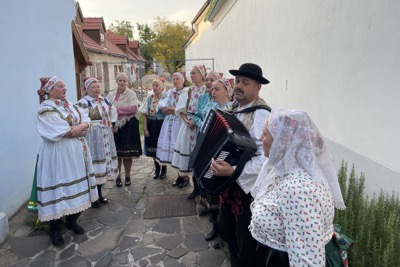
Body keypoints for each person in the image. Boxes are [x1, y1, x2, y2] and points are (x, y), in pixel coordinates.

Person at [249, 109, 346, 266]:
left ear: (282, 141)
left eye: (265, 134)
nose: (260, 138)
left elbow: (307, 261)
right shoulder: (285, 169)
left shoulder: (298, 188)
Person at [210, 63, 270, 266]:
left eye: (246, 83)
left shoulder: (262, 113)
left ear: (258, 88)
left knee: (246, 242)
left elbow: (265, 159)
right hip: (229, 186)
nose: (239, 86)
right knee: (229, 233)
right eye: (237, 81)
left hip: (248, 191)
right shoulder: (232, 109)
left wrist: (233, 170)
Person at [36, 76, 98, 246]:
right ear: (50, 90)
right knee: (59, 187)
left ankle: (72, 220)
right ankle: (54, 228)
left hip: (76, 153)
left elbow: (87, 119)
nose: (65, 89)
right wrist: (80, 128)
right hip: (58, 154)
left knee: (77, 186)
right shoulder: (45, 109)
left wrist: (78, 128)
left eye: (64, 86)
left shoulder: (70, 104)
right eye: (60, 86)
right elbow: (61, 131)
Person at [77, 77, 118, 208]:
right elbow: (80, 119)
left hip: (104, 135)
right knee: (94, 166)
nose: (96, 89)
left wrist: (110, 121)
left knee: (103, 166)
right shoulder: (83, 103)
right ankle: (93, 198)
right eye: (93, 87)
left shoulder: (104, 100)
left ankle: (99, 194)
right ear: (87, 89)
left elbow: (113, 112)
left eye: (98, 86)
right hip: (93, 137)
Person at [171, 65, 206, 188]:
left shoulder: (206, 90)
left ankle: (196, 183)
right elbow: (180, 109)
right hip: (187, 126)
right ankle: (182, 176)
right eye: (190, 73)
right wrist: (186, 120)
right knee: (184, 149)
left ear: (201, 74)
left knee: (197, 153)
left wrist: (196, 121)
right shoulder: (188, 90)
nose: (191, 75)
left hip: (200, 126)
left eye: (194, 73)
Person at [107, 73, 142, 187]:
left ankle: (127, 175)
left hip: (128, 126)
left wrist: (115, 110)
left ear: (127, 82)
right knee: (117, 154)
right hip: (115, 127)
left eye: (124, 81)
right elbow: (106, 107)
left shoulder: (131, 93)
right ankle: (118, 176)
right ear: (117, 82)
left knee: (127, 154)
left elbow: (133, 108)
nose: (122, 83)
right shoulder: (111, 95)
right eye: (120, 80)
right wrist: (114, 111)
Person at [155, 72, 186, 178]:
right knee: (169, 146)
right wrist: (174, 109)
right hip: (169, 122)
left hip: (180, 122)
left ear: (183, 80)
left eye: (177, 79)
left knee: (180, 148)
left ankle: (183, 176)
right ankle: (177, 176)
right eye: (174, 79)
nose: (175, 81)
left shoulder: (186, 92)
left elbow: (183, 109)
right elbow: (164, 109)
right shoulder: (170, 92)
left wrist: (173, 109)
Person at [138, 78, 166, 179]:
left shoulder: (166, 97)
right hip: (152, 124)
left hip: (162, 124)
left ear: (162, 87)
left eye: (156, 85)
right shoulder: (150, 98)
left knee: (162, 146)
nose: (154, 87)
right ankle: (157, 168)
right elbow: (144, 114)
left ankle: (163, 168)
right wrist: (145, 128)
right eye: (153, 85)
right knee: (153, 146)